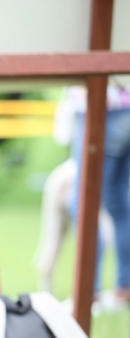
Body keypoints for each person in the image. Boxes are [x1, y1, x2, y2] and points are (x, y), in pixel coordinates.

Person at [66, 85, 130, 304]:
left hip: (101, 109)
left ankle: (89, 293)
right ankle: (125, 288)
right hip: (127, 110)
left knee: (82, 202)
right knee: (118, 201)